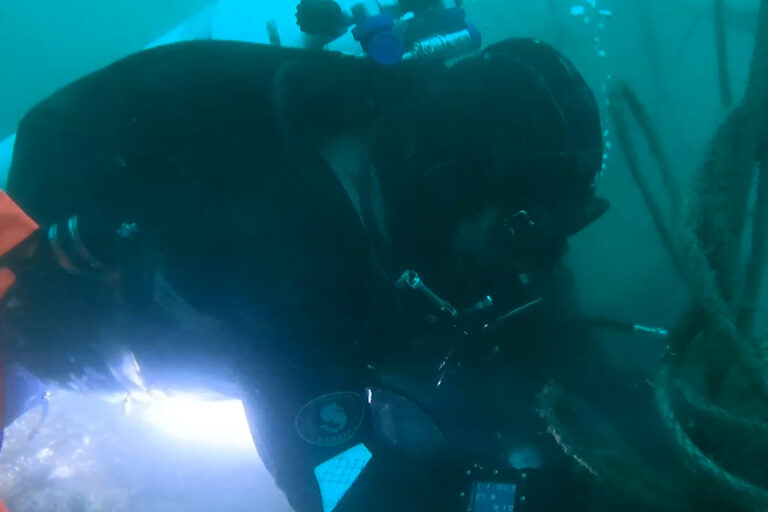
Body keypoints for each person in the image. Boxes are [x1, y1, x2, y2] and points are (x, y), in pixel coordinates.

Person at [0, 35, 625, 512]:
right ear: (453, 183)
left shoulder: (395, 123)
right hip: (55, 301)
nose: (536, 262)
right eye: (520, 229)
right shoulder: (289, 266)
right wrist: (497, 499)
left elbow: (545, 325)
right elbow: (338, 482)